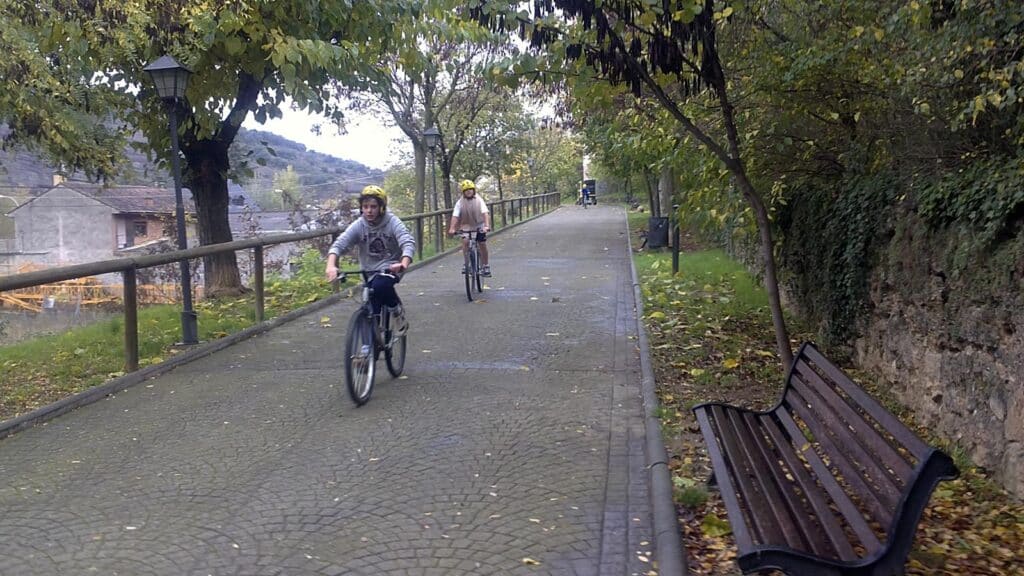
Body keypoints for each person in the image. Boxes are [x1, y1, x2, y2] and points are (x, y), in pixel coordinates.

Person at [325, 185, 415, 333]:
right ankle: (369, 348)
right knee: (372, 309)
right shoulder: (359, 225)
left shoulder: (392, 221)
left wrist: (403, 263)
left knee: (380, 285)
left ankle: (397, 311)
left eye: (373, 206)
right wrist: (331, 265)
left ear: (381, 207)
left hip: (392, 266)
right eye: (365, 207)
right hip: (369, 270)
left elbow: (407, 242)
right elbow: (339, 244)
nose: (369, 210)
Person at [448, 179, 492, 277]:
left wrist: (486, 226)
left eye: (470, 190)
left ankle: (485, 265)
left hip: (479, 225)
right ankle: (467, 263)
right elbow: (455, 216)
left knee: (482, 243)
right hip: (466, 226)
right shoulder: (460, 202)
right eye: (466, 190)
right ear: (463, 192)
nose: (469, 192)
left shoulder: (479, 200)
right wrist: (452, 228)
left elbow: (485, 213)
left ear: (474, 190)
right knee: (465, 242)